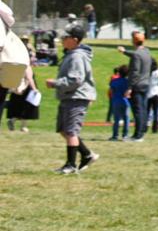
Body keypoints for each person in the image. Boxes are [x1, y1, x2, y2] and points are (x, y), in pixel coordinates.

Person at [46, 24, 98, 174]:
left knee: (70, 132)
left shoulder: (77, 56)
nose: (62, 39)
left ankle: (71, 165)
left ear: (74, 40)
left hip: (76, 97)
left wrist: (55, 83)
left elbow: (76, 79)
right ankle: (87, 155)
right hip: (69, 97)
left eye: (65, 37)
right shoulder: (71, 54)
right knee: (64, 130)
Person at [117, 30, 154, 140]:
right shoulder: (147, 52)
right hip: (146, 84)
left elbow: (135, 72)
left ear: (133, 41)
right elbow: (135, 55)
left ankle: (137, 135)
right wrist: (124, 52)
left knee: (137, 111)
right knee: (143, 109)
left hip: (137, 85)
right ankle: (142, 132)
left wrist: (129, 88)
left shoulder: (136, 55)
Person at [5, 51, 41, 133]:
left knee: (20, 108)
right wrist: (34, 89)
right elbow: (29, 79)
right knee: (25, 108)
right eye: (32, 57)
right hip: (25, 89)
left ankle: (13, 121)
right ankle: (23, 126)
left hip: (18, 88)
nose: (34, 59)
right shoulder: (26, 66)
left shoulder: (18, 65)